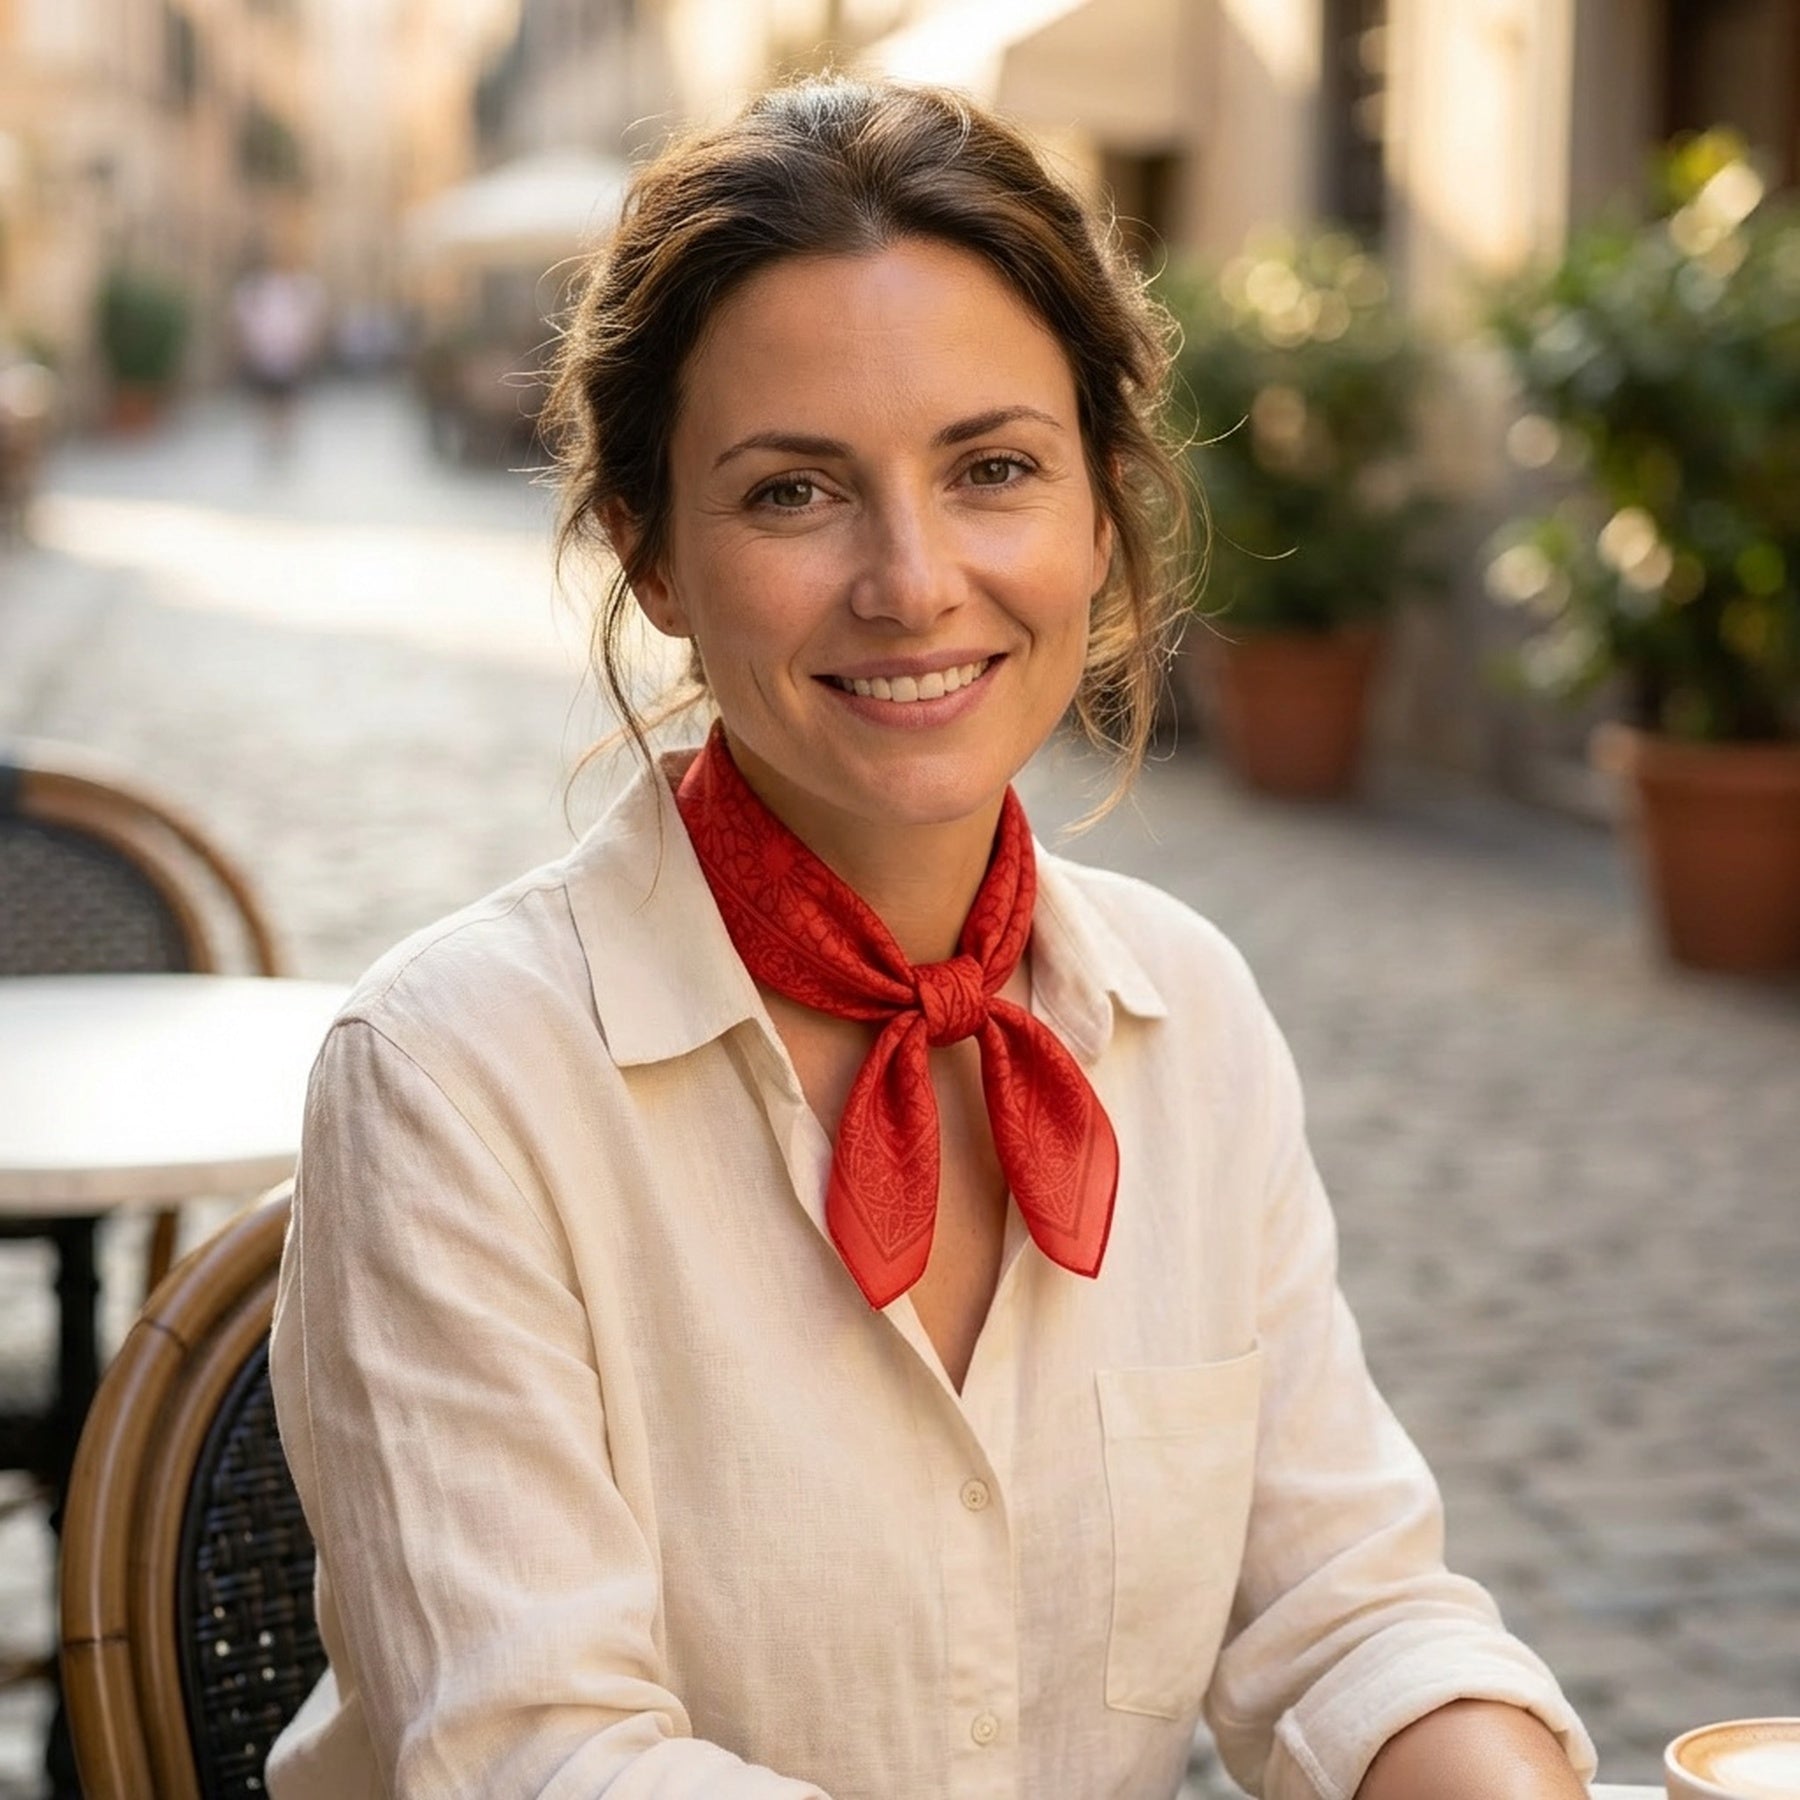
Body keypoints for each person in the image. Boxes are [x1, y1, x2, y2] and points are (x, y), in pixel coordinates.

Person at [267, 78, 1598, 1800]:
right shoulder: (455, 1082)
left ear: (1100, 511)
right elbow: (549, 1764)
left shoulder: (1186, 1013)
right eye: (795, 493)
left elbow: (1347, 1615)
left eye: (991, 470)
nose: (912, 581)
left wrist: (1485, 1769)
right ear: (647, 551)